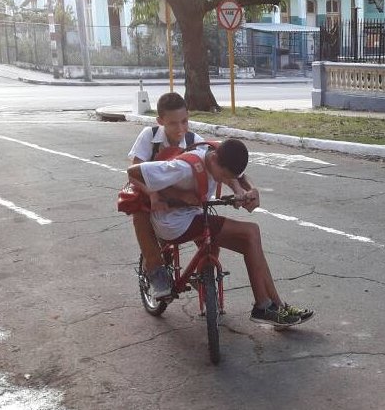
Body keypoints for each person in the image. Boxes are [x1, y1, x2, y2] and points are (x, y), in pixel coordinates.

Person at [127, 138, 312, 327]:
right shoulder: (184, 167)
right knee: (251, 232)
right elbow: (132, 173)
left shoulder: (217, 152)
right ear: (214, 159)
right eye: (223, 175)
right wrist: (161, 195)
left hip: (194, 215)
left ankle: (277, 306)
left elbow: (239, 176)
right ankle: (263, 306)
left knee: (251, 244)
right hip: (173, 222)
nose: (224, 180)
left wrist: (249, 190)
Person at [127, 92, 260, 298]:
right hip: (149, 193)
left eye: (184, 121)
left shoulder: (194, 141)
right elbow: (136, 170)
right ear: (160, 121)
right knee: (140, 217)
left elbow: (231, 171)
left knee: (209, 236)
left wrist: (241, 190)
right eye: (172, 123)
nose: (180, 129)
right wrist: (155, 196)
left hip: (185, 201)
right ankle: (155, 272)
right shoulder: (149, 136)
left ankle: (203, 275)